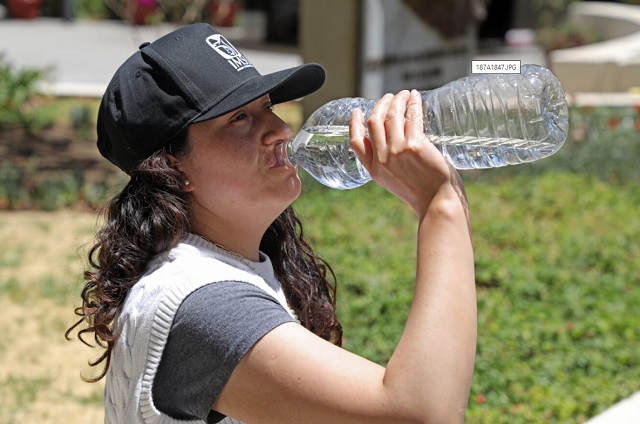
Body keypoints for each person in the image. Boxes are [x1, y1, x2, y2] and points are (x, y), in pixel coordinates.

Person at [66, 23, 476, 424]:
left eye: (268, 107)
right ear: (172, 168)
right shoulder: (204, 306)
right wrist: (440, 206)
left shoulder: (226, 268)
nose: (280, 130)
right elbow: (420, 413)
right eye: (239, 118)